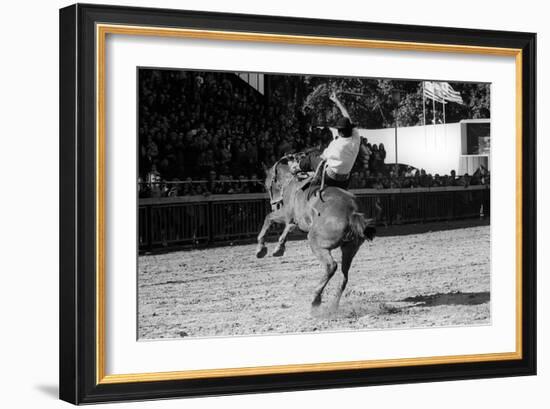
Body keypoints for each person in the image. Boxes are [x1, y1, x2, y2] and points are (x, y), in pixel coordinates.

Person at [296, 91, 365, 190]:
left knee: (312, 158)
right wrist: (337, 101)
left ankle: (297, 167)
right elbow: (348, 118)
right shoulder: (356, 139)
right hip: (344, 182)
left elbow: (323, 157)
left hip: (330, 178)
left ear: (339, 131)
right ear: (350, 129)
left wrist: (314, 154)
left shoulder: (335, 144)